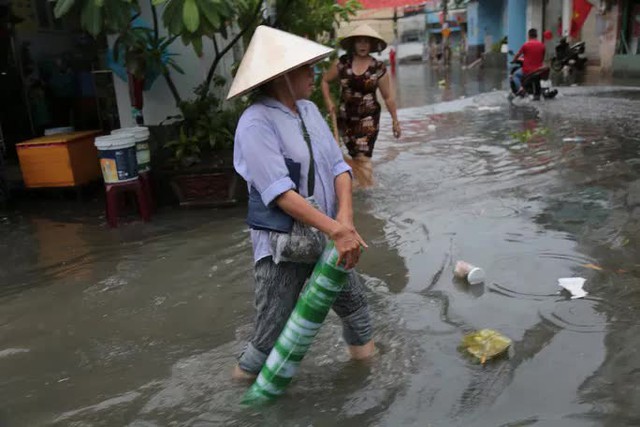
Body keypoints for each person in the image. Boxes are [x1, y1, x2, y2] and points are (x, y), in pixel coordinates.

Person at [228, 26, 375, 380]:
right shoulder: (255, 123)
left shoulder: (308, 111)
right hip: (283, 245)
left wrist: (344, 221)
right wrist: (335, 228)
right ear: (281, 77)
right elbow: (279, 193)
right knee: (270, 333)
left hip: (328, 234)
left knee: (357, 312)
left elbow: (339, 166)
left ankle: (369, 381)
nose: (313, 74)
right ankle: (240, 397)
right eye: (304, 69)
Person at [321, 24, 401, 188]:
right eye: (359, 42)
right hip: (345, 119)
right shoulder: (342, 63)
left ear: (371, 45)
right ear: (353, 44)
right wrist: (328, 101)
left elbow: (388, 97)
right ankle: (361, 188)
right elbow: (324, 81)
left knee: (363, 156)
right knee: (354, 156)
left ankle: (367, 192)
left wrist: (395, 121)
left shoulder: (378, 68)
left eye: (366, 42)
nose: (363, 45)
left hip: (368, 121)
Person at [512, 28, 546, 100]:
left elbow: (517, 55)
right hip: (539, 70)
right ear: (536, 35)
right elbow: (542, 58)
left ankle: (521, 89)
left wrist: (514, 60)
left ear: (529, 36)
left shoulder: (526, 45)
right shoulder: (542, 45)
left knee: (515, 75)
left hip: (527, 71)